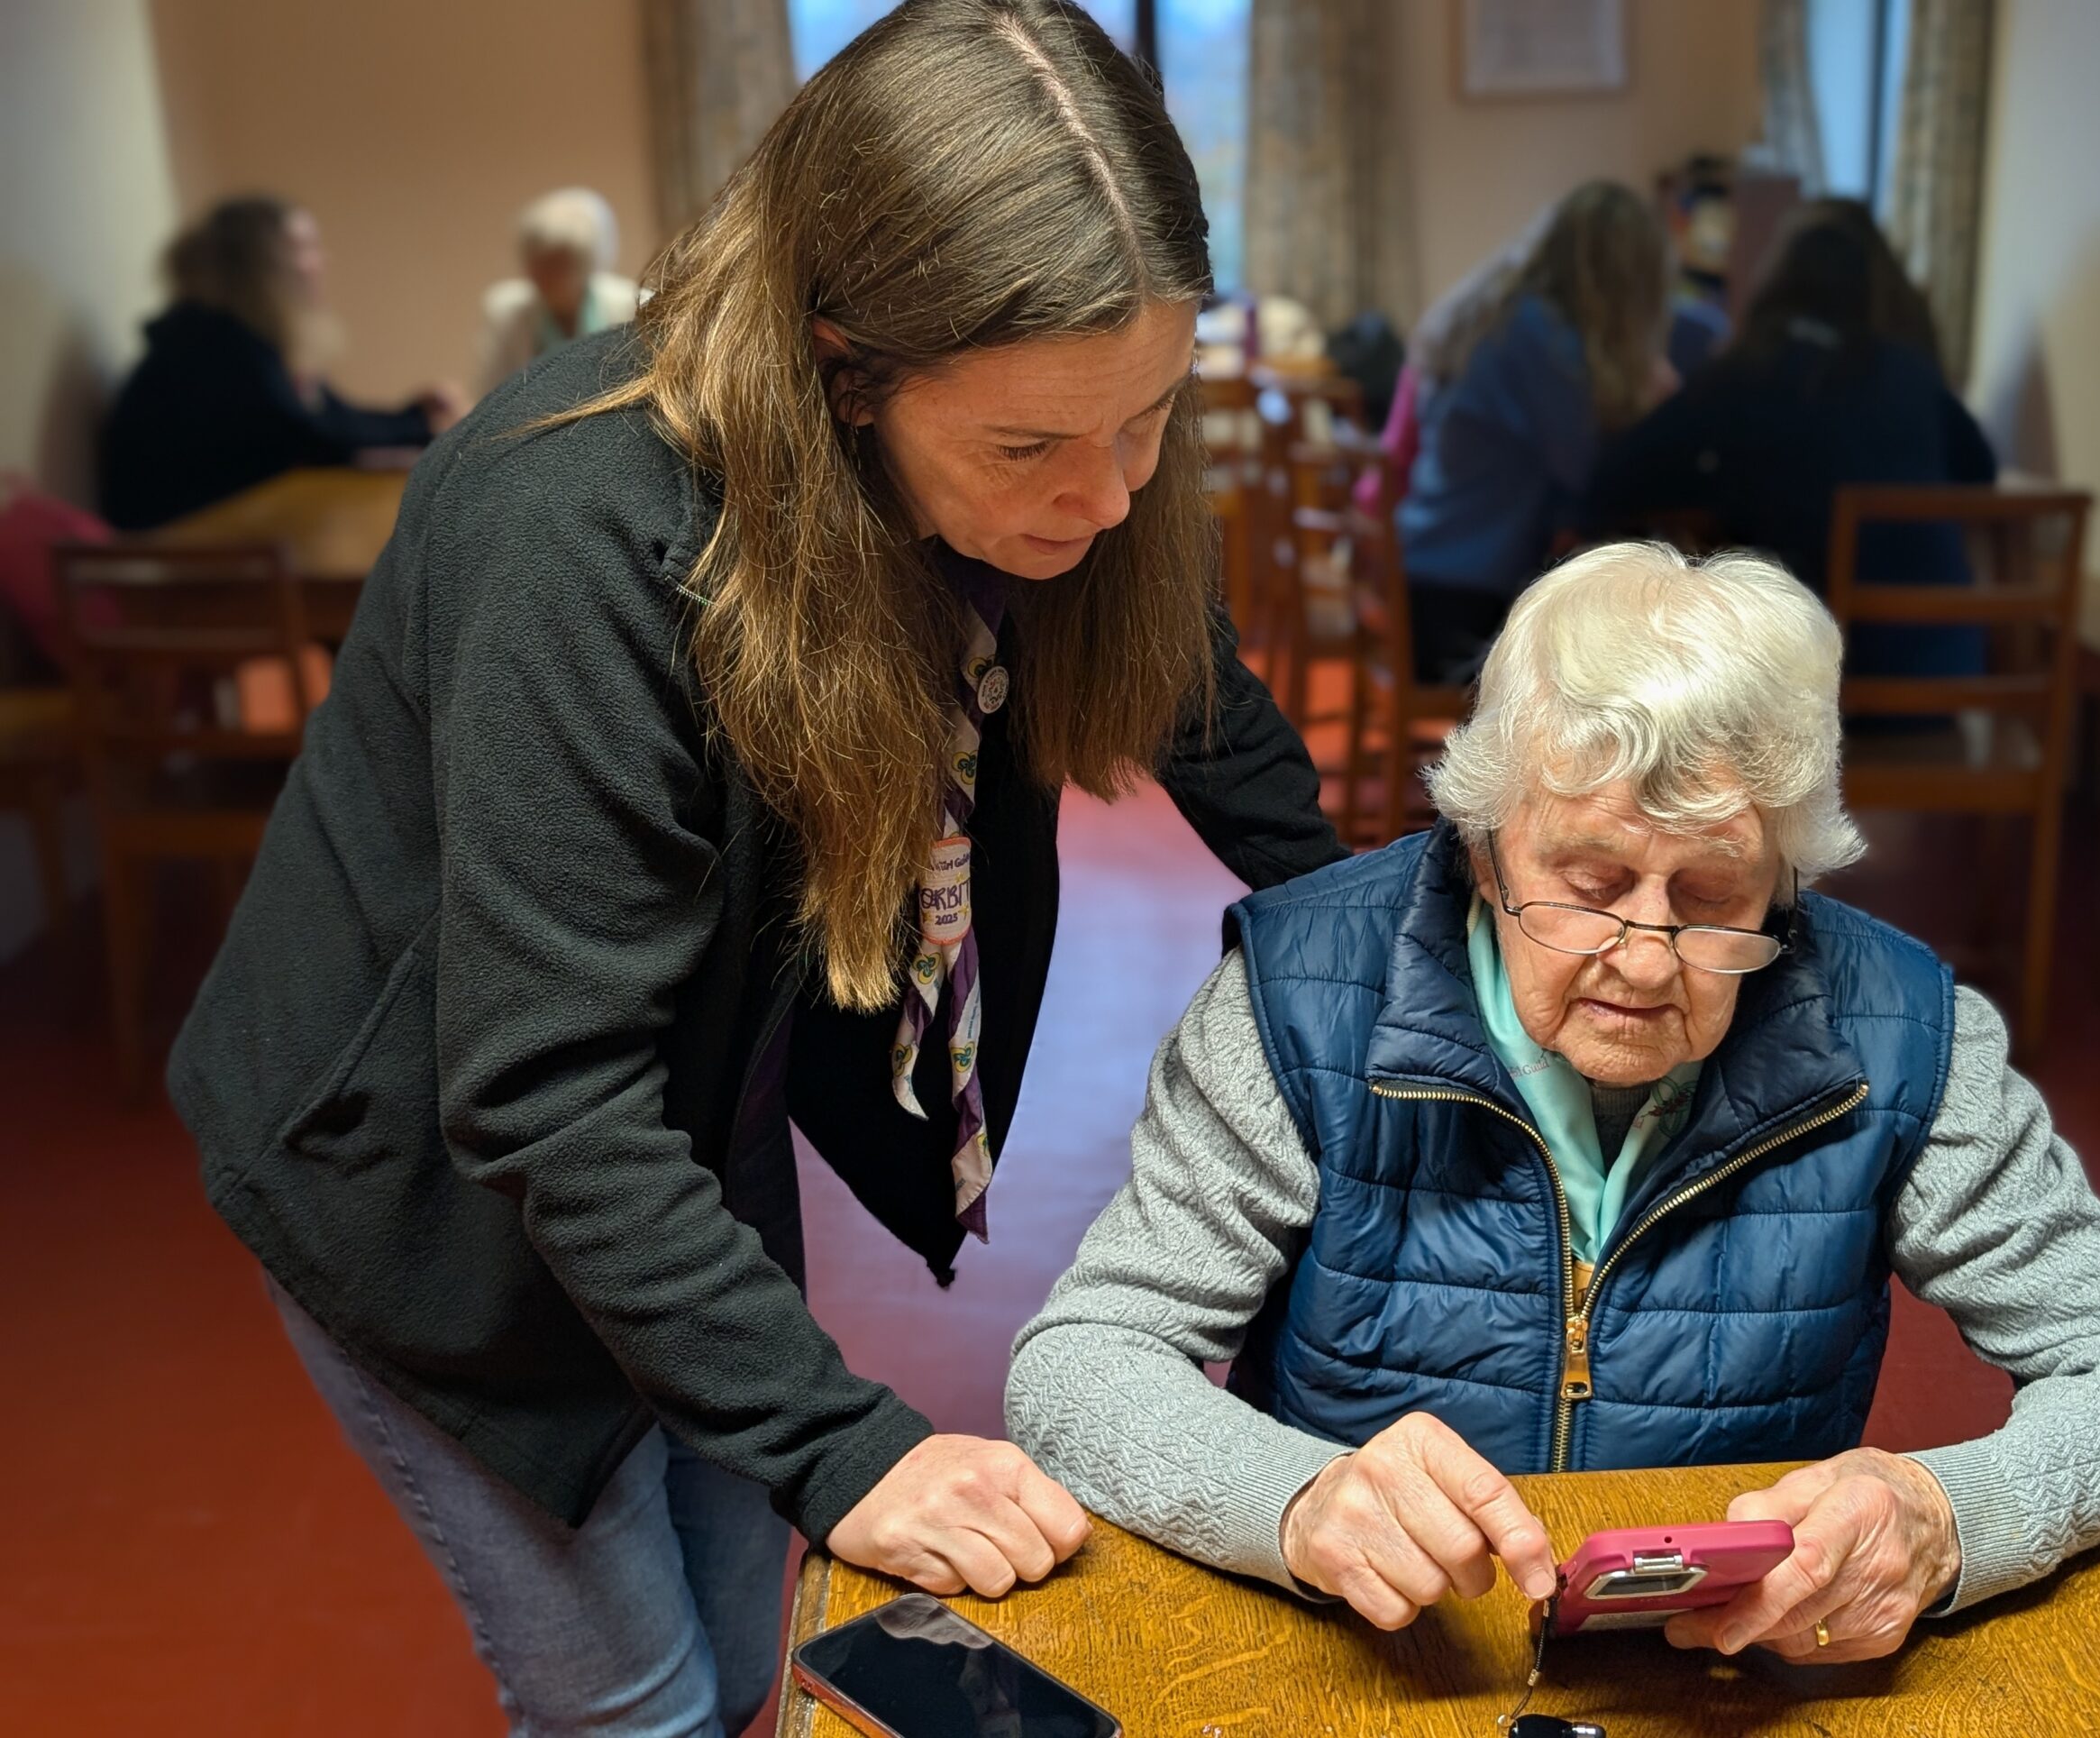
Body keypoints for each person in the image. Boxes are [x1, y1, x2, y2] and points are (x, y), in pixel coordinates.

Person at [167, 5, 1342, 1733]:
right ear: (841, 364)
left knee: (746, 1649)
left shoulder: (1069, 433)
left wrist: (1382, 943)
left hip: (672, 1113)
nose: (1106, 497)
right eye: (1030, 450)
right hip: (416, 1161)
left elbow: (1198, 700)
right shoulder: (577, 526)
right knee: (635, 1694)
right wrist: (844, 1442)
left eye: (1152, 418)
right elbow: (547, 1097)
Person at [1008, 541, 2100, 1659]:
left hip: (1727, 1680)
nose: (1648, 955)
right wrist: (1291, 1499)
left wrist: (1947, 1521)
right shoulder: (1303, 996)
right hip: (1366, 1660)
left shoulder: (1902, 1031)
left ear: (1785, 875)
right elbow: (1083, 1366)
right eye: (1590, 880)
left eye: (1713, 893)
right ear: (1485, 846)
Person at [1585, 199, 1997, 680]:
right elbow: (1980, 472)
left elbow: (1614, 480)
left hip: (1818, 697)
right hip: (1944, 674)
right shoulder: (1909, 373)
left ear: (1774, 286)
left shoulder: (1745, 374)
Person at [1392, 181, 1671, 684]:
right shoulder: (1539, 336)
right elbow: (1586, 472)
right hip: (1465, 606)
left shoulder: (1490, 313)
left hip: (1423, 576)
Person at [99, 197, 466, 530]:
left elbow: (330, 417)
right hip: (178, 554)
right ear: (259, 266)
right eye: (303, 248)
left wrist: (414, 415)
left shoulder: (240, 336)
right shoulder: (216, 341)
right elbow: (308, 434)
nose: (322, 261)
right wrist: (420, 426)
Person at [475, 188, 644, 394]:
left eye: (555, 265)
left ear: (586, 263)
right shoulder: (504, 311)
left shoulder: (635, 306)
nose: (539, 274)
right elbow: (490, 397)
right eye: (535, 260)